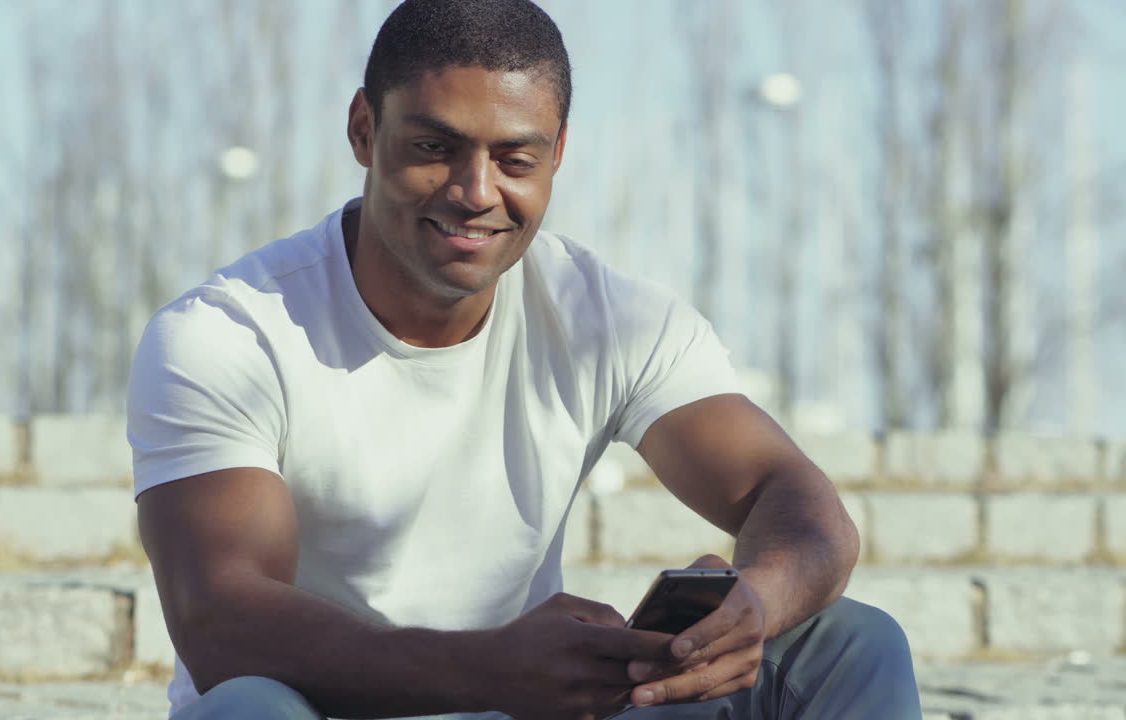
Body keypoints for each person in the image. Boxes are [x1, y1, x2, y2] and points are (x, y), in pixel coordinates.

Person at [127, 1, 922, 718]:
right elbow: (221, 623)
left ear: (557, 153)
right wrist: (484, 672)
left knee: (850, 643)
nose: (476, 192)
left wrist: (755, 602)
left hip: (527, 707)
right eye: (434, 147)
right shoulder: (228, 336)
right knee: (248, 712)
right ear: (364, 130)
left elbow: (796, 500)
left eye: (515, 159)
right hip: (340, 707)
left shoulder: (604, 319)